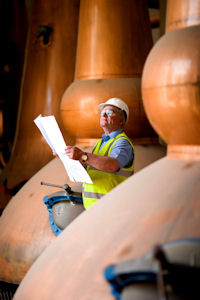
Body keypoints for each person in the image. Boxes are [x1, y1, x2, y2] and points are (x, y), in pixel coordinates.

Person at [64, 97, 134, 209]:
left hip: (112, 210)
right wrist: (67, 156)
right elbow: (89, 168)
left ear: (121, 120)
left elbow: (113, 165)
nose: (104, 115)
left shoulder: (122, 143)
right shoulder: (100, 143)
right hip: (95, 210)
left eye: (109, 112)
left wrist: (82, 155)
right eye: (102, 112)